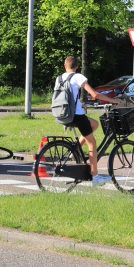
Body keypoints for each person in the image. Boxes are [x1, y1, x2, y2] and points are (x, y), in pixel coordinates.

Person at [55, 56, 120, 187]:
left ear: (65, 66)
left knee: (94, 124)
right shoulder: (78, 77)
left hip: (63, 113)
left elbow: (66, 96)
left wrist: (80, 104)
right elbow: (95, 94)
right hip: (77, 116)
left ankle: (77, 149)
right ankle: (95, 177)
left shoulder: (59, 78)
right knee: (92, 143)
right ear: (77, 67)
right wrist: (113, 101)